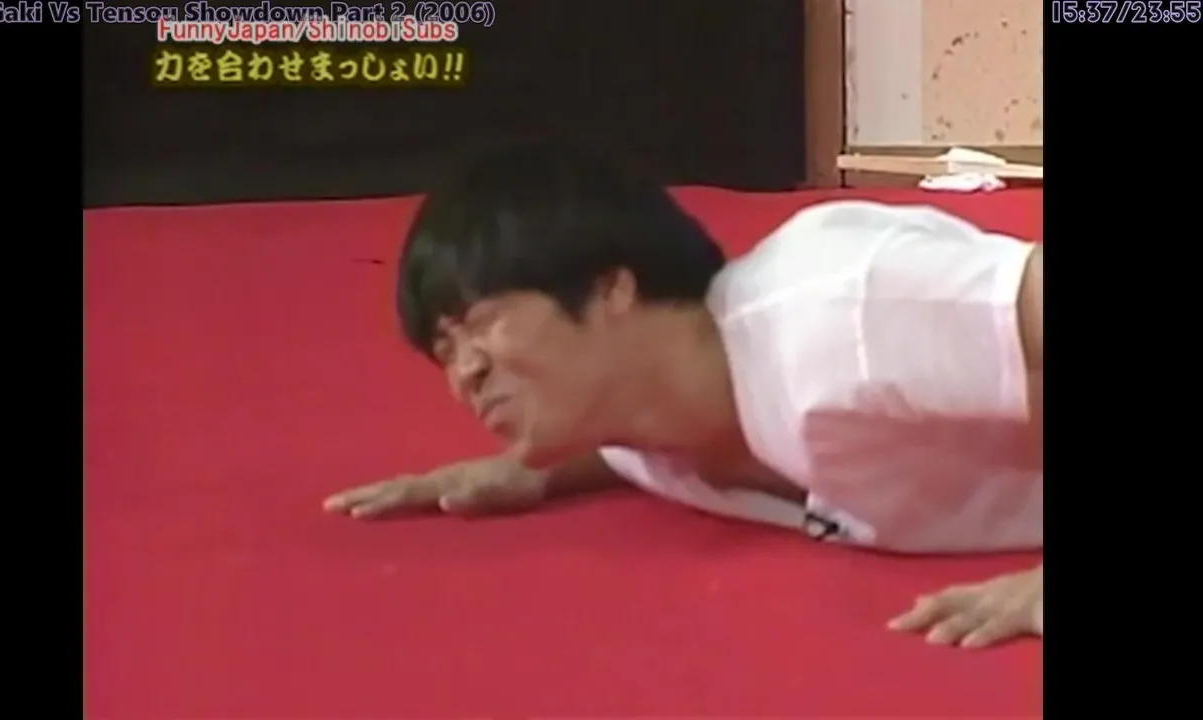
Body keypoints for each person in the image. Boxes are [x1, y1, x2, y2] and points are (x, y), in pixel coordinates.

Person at [324, 139, 1043, 649]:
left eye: (482, 322)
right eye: (443, 351)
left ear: (612, 288)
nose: (464, 375)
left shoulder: (841, 307)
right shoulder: (658, 439)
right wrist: (535, 469)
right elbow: (638, 454)